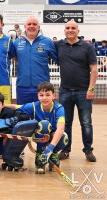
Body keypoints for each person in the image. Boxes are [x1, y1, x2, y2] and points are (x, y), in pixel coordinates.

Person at [54, 20, 98, 162]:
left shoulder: (87, 47)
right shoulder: (59, 45)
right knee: (65, 123)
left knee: (86, 123)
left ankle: (88, 150)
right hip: (65, 91)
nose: (70, 30)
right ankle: (65, 150)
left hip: (83, 92)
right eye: (67, 28)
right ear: (64, 30)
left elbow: (94, 69)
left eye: (73, 28)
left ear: (78, 31)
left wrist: (91, 89)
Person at [6, 82, 68, 173]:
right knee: (44, 125)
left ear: (53, 96)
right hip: (39, 134)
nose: (44, 98)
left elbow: (61, 129)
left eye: (47, 95)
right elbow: (16, 107)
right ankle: (40, 154)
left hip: (53, 136)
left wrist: (50, 149)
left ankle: (53, 155)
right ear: (38, 96)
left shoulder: (59, 108)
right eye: (41, 95)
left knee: (64, 137)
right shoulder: (34, 106)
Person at [13, 17, 58, 104]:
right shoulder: (16, 42)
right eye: (29, 24)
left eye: (34, 24)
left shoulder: (47, 42)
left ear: (39, 27)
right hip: (22, 87)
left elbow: (59, 60)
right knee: (23, 115)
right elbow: (13, 57)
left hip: (42, 88)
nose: (31, 26)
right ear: (25, 26)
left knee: (42, 115)